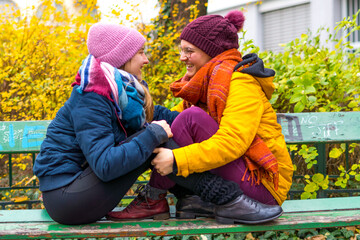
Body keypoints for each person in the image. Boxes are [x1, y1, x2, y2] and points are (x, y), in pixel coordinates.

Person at [33, 22, 283, 225]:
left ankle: (179, 200)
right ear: (123, 58)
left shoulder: (121, 96)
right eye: (140, 53)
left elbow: (173, 120)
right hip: (66, 198)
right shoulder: (92, 98)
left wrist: (191, 117)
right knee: (149, 140)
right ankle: (227, 199)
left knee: (156, 135)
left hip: (80, 191)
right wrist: (153, 133)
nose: (146, 60)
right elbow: (105, 165)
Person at [107, 10, 294, 223]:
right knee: (173, 122)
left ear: (210, 51)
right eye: (182, 50)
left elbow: (232, 142)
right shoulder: (207, 83)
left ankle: (153, 197)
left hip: (264, 190)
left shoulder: (241, 84)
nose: (182, 57)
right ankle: (158, 198)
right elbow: (176, 124)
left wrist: (177, 158)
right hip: (242, 178)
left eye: (189, 50)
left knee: (190, 118)